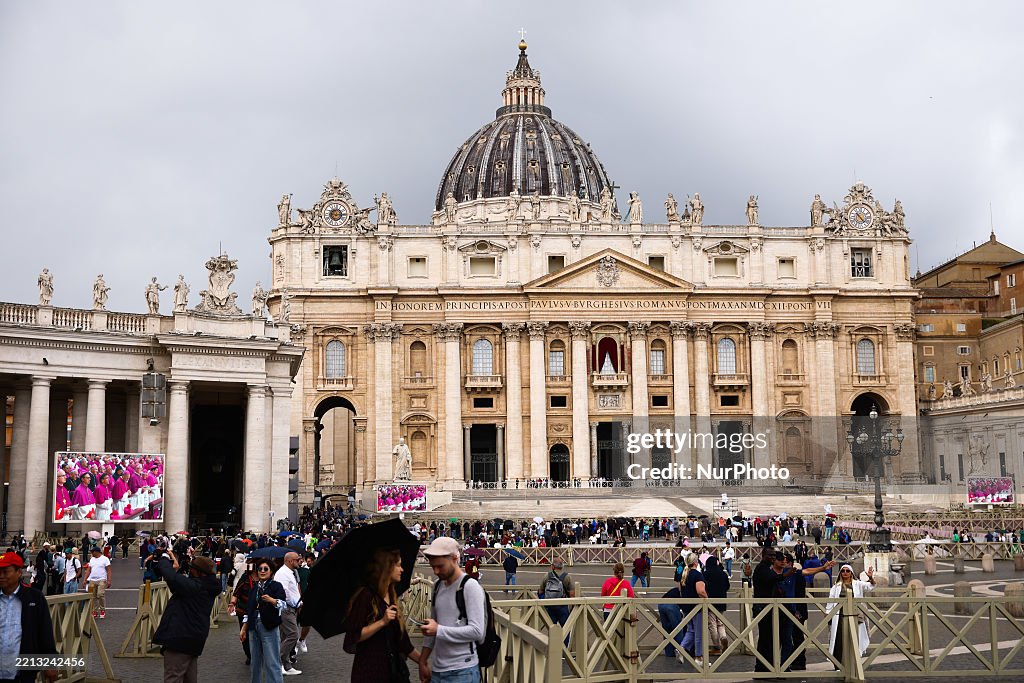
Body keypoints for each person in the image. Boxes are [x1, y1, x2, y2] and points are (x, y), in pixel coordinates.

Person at [342, 548, 421, 682]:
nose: (402, 569)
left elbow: (403, 642)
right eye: (398, 565)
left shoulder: (391, 595)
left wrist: (423, 662)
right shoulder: (366, 596)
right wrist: (382, 622)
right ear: (387, 567)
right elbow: (353, 636)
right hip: (370, 672)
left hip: (393, 671)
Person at [419, 536, 487, 683]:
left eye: (440, 566)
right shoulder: (437, 586)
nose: (435, 571)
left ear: (455, 559)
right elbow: (433, 626)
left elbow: (477, 631)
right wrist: (422, 660)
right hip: (437, 669)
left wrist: (438, 630)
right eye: (433, 566)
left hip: (463, 671)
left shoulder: (470, 586)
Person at [151, 550, 220, 683]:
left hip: (180, 638)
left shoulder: (196, 587)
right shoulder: (207, 585)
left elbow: (172, 578)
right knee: (189, 678)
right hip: (194, 639)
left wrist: (164, 559)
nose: (189, 571)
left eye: (191, 569)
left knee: (173, 677)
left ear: (199, 572)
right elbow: (178, 583)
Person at [0, 551, 58, 682]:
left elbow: (45, 632)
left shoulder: (34, 597)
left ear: (19, 572)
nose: (1, 576)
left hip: (23, 672)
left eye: (5, 571)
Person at [240, 559, 287, 683]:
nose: (262, 571)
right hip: (253, 625)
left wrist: (272, 600)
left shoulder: (276, 586)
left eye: (265, 569)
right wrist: (244, 628)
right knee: (255, 662)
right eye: (260, 569)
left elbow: (283, 605)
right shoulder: (254, 588)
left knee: (272, 661)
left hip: (269, 626)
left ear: (271, 572)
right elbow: (248, 610)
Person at [752, 550, 797, 674]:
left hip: (767, 607)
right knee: (766, 639)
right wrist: (787, 574)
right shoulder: (762, 568)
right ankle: (762, 668)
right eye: (770, 556)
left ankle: (767, 667)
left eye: (773, 556)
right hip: (763, 607)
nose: (772, 558)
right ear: (763, 556)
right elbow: (772, 579)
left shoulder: (764, 568)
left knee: (769, 639)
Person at [274, 552, 303, 675]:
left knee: (286, 636)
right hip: (287, 608)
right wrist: (295, 604)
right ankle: (278, 663)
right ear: (290, 561)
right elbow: (284, 592)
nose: (299, 561)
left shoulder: (289, 572)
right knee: (293, 635)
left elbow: (292, 590)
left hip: (290, 608)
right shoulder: (283, 573)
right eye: (297, 559)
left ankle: (286, 665)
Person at [678, 551, 708, 667]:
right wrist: (707, 598)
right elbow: (700, 591)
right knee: (699, 632)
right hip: (697, 607)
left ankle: (681, 649)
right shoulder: (697, 574)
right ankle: (699, 656)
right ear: (696, 562)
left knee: (691, 630)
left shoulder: (684, 574)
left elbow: (680, 589)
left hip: (686, 607)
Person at [230, 561, 258, 665]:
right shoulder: (245, 579)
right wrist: (232, 603)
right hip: (243, 610)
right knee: (244, 634)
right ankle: (249, 655)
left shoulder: (263, 580)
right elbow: (236, 592)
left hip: (257, 611)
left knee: (257, 632)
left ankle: (256, 653)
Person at [703, 556, 730, 655]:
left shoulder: (705, 574)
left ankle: (717, 646)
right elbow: (727, 586)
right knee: (720, 623)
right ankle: (723, 637)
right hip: (721, 601)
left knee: (712, 624)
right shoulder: (723, 574)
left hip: (710, 602)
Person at [537, 557, 573, 627]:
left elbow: (541, 590)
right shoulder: (567, 577)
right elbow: (572, 593)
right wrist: (572, 607)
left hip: (549, 605)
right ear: (562, 566)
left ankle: (553, 638)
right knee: (565, 628)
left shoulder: (547, 576)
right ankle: (565, 638)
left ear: (552, 566)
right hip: (562, 605)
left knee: (551, 628)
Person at [82, 546, 111, 619]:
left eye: (92, 552)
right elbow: (89, 570)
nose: (91, 553)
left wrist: (109, 580)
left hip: (101, 579)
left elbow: (108, 570)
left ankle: (102, 610)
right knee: (93, 596)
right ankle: (94, 610)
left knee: (100, 594)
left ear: (97, 552)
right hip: (92, 579)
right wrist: (85, 580)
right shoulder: (92, 559)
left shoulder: (105, 559)